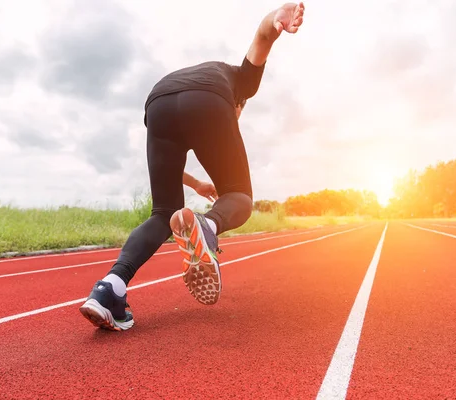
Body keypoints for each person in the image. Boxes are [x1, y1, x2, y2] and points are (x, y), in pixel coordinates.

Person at [79, 2, 306, 331]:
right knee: (240, 195)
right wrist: (275, 19)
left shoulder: (196, 76)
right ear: (238, 106)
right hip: (207, 98)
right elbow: (262, 38)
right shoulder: (241, 82)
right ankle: (209, 228)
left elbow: (168, 166)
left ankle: (109, 288)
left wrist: (198, 185)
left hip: (158, 102)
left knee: (162, 213)